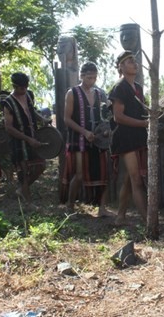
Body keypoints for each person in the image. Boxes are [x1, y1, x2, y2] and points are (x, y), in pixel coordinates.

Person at [63, 62, 110, 216]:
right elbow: (67, 119)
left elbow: (105, 118)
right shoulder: (72, 93)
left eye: (95, 77)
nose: (92, 80)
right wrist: (84, 131)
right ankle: (70, 206)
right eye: (89, 77)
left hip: (97, 140)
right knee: (79, 174)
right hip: (79, 139)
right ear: (82, 76)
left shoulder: (99, 94)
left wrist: (104, 131)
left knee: (103, 174)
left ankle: (102, 208)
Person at [109, 51, 148, 225]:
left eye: (134, 60)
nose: (134, 63)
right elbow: (118, 117)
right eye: (129, 61)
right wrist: (142, 124)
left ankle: (120, 216)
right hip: (125, 138)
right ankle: (148, 221)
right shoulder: (119, 88)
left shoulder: (138, 88)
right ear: (121, 67)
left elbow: (141, 111)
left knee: (128, 179)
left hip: (138, 136)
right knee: (136, 179)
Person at [2, 72, 46, 204]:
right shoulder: (8, 103)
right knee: (23, 173)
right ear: (14, 86)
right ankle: (28, 202)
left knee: (41, 165)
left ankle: (21, 189)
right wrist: (27, 139)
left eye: (26, 87)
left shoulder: (27, 96)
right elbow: (8, 127)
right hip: (18, 142)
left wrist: (43, 119)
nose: (24, 90)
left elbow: (32, 112)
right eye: (22, 88)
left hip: (33, 137)